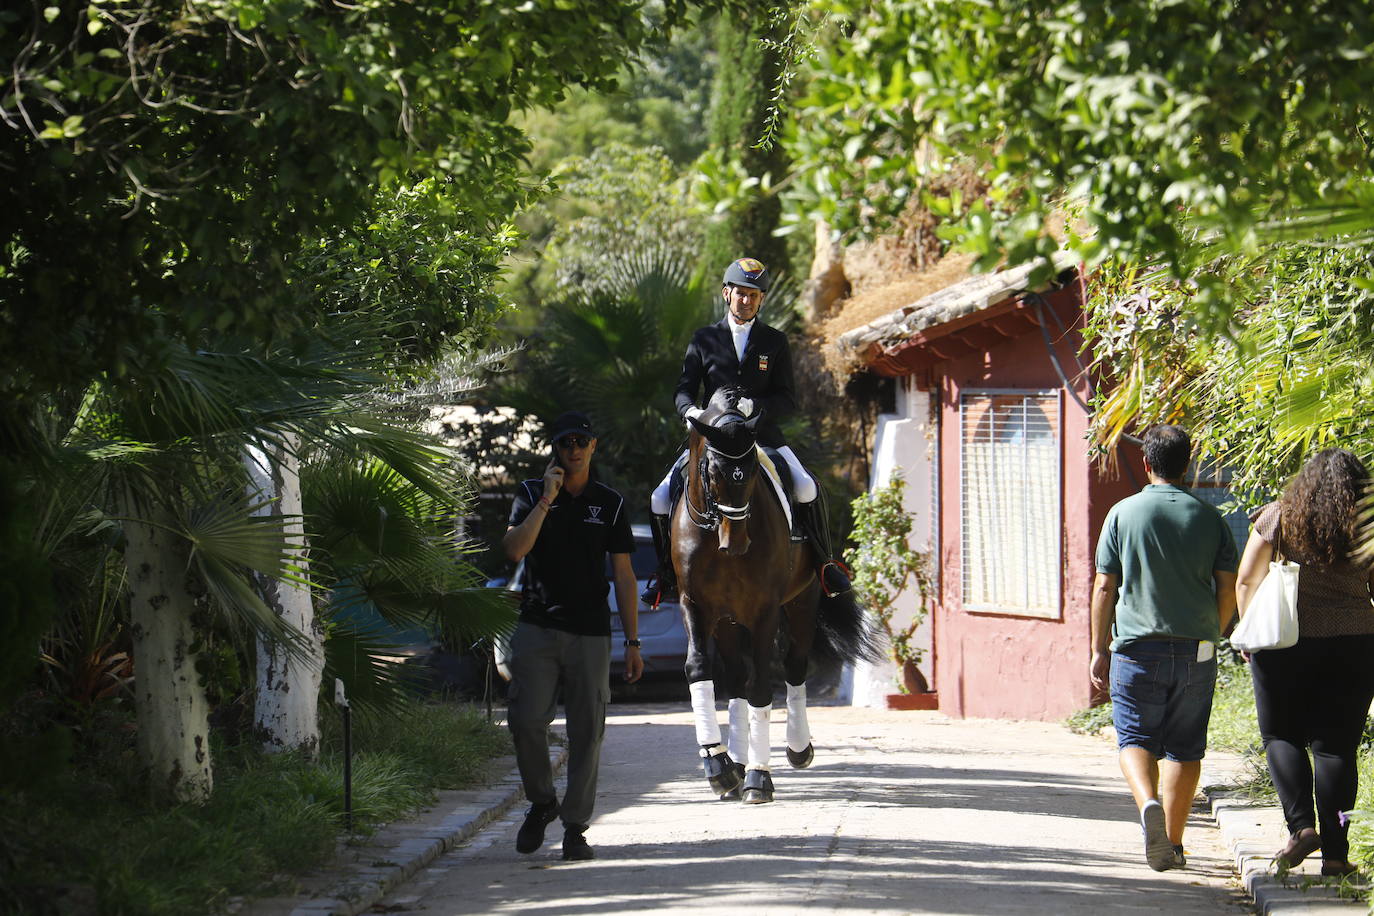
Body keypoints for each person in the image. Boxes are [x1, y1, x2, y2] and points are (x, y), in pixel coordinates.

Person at [643, 256, 850, 603]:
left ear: (761, 300)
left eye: (754, 296)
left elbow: (787, 399)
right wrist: (691, 411)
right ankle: (665, 572)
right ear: (727, 294)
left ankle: (825, 565)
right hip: (712, 440)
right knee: (660, 497)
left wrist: (759, 407)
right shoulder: (704, 338)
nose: (747, 301)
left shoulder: (774, 341)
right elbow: (683, 389)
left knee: (806, 487)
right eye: (741, 293)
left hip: (761, 438)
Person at [1090, 424, 1238, 871]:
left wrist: (1099, 648)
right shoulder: (1210, 519)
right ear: (1188, 465)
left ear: (1147, 463)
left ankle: (1147, 803)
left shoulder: (1122, 513)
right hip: (1198, 648)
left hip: (1137, 648)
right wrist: (1216, 628)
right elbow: (1228, 586)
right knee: (1185, 748)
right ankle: (1172, 844)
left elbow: (1104, 586)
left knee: (1135, 738)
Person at [501, 410, 643, 861]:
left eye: (582, 440)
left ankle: (576, 827)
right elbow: (514, 550)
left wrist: (633, 642)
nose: (575, 448)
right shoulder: (530, 493)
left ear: (594, 446)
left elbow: (623, 575)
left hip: (591, 633)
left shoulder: (611, 503)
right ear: (555, 449)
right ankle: (541, 802)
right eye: (566, 442)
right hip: (537, 626)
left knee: (588, 732)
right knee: (525, 721)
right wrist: (547, 499)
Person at [1234, 448, 1374, 878]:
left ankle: (1302, 828)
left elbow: (1246, 578)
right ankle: (1335, 856)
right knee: (1336, 748)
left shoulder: (1278, 516)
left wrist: (1248, 632)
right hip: (1355, 643)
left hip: (1284, 643)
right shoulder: (1367, 524)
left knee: (1281, 735)